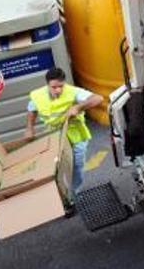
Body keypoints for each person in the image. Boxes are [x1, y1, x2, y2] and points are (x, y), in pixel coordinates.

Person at [25, 67, 102, 202]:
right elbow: (32, 110)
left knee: (77, 166)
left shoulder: (73, 92)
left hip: (76, 134)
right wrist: (29, 128)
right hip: (54, 135)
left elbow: (98, 98)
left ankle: (73, 193)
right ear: (47, 85)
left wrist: (78, 107)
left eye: (61, 86)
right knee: (56, 167)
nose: (58, 90)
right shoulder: (38, 96)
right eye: (54, 87)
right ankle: (61, 196)